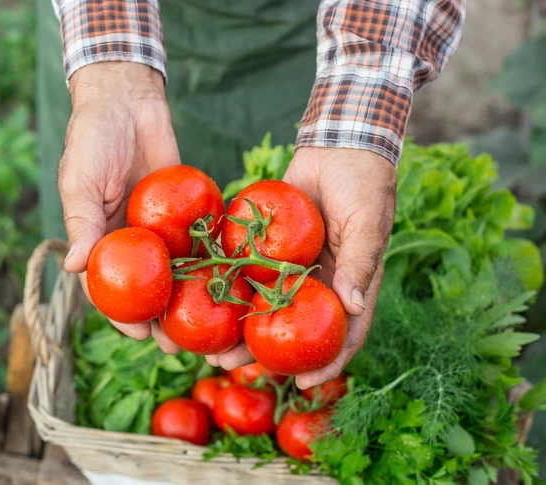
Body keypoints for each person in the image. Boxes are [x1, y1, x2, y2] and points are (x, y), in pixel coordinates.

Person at [39, 0, 466, 389]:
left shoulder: (235, 261)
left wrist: (354, 130)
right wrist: (113, 83)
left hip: (295, 37)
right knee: (98, 207)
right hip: (100, 27)